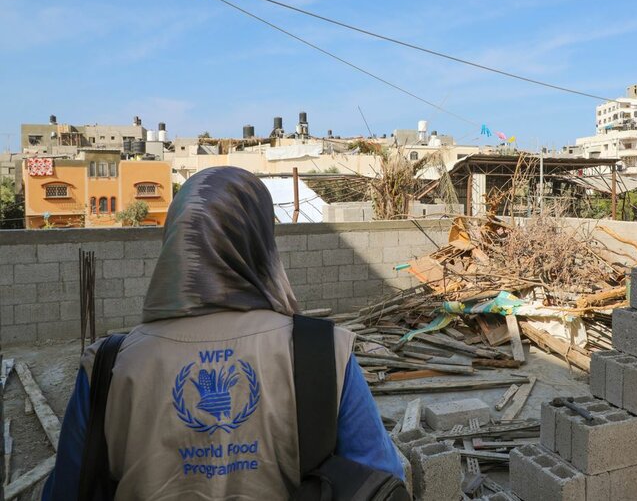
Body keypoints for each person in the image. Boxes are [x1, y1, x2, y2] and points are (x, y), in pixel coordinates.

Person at [43, 166, 403, 500]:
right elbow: (378, 479)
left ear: (174, 239)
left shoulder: (110, 364)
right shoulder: (320, 352)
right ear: (262, 242)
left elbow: (67, 489)